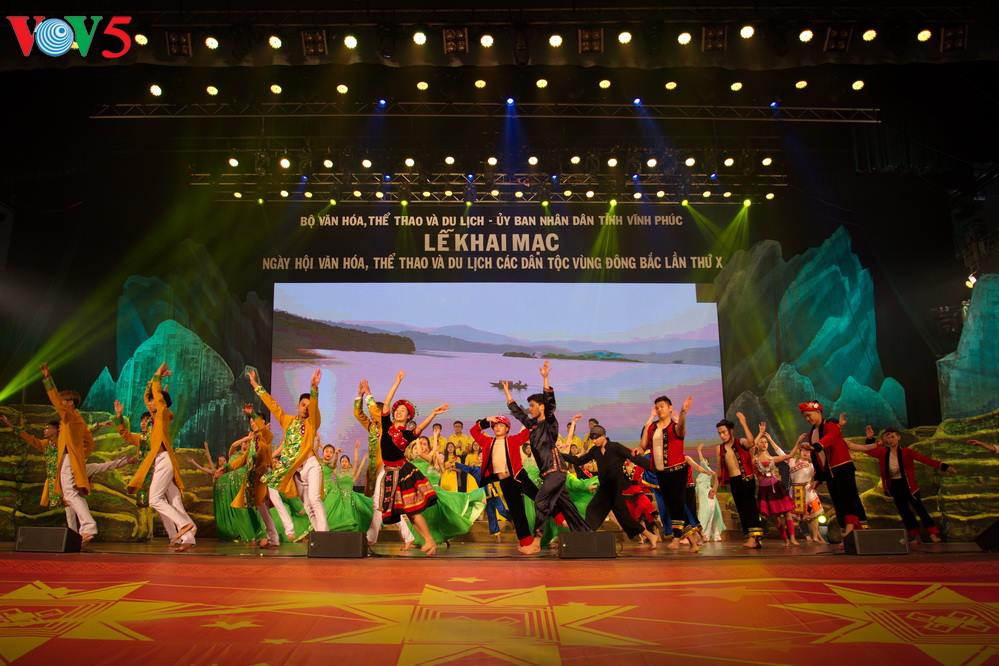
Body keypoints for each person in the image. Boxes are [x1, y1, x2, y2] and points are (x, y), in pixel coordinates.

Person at [505, 361, 591, 553]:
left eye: (532, 406)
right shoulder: (533, 425)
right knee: (568, 508)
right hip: (549, 473)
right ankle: (586, 537)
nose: (530, 409)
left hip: (555, 470)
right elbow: (518, 414)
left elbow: (550, 403)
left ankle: (536, 543)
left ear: (542, 407)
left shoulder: (550, 423)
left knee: (541, 501)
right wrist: (507, 393)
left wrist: (545, 378)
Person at [365, 370, 446, 556]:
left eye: (403, 411)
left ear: (408, 417)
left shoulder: (408, 434)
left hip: (403, 472)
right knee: (408, 512)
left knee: (412, 510)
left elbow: (421, 427)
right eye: (398, 410)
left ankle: (429, 540)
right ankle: (428, 541)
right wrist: (397, 382)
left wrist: (433, 413)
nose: (399, 412)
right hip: (390, 472)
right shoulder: (387, 425)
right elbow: (386, 403)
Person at [121, 364, 197, 551]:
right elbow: (147, 398)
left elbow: (155, 398)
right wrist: (154, 382)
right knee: (173, 501)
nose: (150, 404)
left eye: (154, 401)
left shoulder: (162, 414)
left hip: (164, 461)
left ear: (161, 402)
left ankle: (184, 525)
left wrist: (157, 376)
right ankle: (186, 537)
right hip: (160, 462)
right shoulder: (155, 421)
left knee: (155, 499)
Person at [247, 368, 328, 537]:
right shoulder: (287, 420)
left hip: (311, 465)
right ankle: (319, 536)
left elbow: (314, 409)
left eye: (309, 406)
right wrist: (255, 385)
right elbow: (272, 405)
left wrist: (314, 388)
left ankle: (324, 535)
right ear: (298, 406)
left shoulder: (312, 423)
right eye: (303, 405)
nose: (306, 408)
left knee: (314, 499)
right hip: (298, 471)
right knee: (307, 506)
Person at [849, 425, 957, 544]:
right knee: (905, 512)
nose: (890, 439)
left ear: (898, 437)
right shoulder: (883, 452)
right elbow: (869, 451)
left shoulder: (907, 452)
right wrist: (870, 438)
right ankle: (915, 537)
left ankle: (933, 534)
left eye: (892, 437)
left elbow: (925, 460)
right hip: (894, 486)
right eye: (887, 437)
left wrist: (945, 467)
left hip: (909, 486)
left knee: (920, 510)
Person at [562, 422, 660, 547]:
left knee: (622, 517)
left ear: (603, 436)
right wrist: (561, 455)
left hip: (615, 488)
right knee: (594, 510)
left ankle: (651, 536)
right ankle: (586, 537)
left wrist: (654, 468)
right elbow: (579, 460)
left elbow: (634, 458)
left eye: (596, 438)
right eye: (592, 439)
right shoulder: (595, 450)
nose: (594, 441)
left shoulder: (615, 447)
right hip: (604, 488)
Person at [34, 364, 97, 543]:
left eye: (63, 401)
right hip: (70, 459)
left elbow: (54, 399)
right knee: (72, 495)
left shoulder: (69, 416)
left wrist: (48, 379)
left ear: (70, 403)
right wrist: (79, 454)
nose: (60, 404)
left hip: (69, 460)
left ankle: (88, 527)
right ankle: (84, 529)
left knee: (69, 495)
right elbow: (90, 443)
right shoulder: (75, 419)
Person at [635, 395, 700, 550]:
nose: (659, 409)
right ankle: (692, 542)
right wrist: (639, 449)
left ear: (670, 408)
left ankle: (678, 539)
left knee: (677, 504)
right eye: (657, 407)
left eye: (662, 406)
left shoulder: (674, 426)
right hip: (661, 474)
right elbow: (643, 445)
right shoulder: (652, 428)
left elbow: (681, 430)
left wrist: (683, 413)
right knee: (672, 506)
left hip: (677, 471)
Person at [468, 414, 540, 553]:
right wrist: (487, 420)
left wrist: (533, 416)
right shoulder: (487, 442)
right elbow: (473, 431)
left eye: (501, 425)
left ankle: (561, 518)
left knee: (540, 499)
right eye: (495, 426)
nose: (497, 428)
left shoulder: (513, 439)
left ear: (507, 428)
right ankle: (526, 542)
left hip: (518, 477)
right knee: (517, 512)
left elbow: (529, 430)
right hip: (505, 482)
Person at [798, 400, 867, 539]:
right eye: (805, 417)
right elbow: (816, 456)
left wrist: (816, 446)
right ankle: (848, 533)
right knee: (838, 502)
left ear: (818, 412)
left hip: (842, 467)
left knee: (848, 498)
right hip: (829, 472)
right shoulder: (812, 433)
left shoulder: (830, 424)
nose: (807, 419)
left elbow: (831, 436)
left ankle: (850, 531)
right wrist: (818, 477)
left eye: (809, 415)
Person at [737, 414, 799, 547]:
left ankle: (793, 538)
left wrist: (798, 442)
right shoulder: (754, 459)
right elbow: (751, 446)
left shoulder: (772, 458)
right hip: (765, 490)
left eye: (765, 442)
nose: (764, 444)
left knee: (787, 513)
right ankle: (785, 540)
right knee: (777, 518)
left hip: (776, 486)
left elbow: (789, 455)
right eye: (762, 442)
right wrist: (760, 433)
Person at [716, 418, 763, 548]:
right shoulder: (719, 448)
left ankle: (754, 537)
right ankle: (751, 537)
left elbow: (751, 443)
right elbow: (719, 470)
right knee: (741, 509)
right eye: (719, 433)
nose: (722, 435)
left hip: (746, 479)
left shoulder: (740, 442)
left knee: (750, 507)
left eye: (724, 432)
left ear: (731, 431)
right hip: (734, 481)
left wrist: (743, 423)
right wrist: (715, 486)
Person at [788, 442, 825, 543]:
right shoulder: (792, 461)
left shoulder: (812, 465)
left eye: (808, 451)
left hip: (808, 492)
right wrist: (770, 439)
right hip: (795, 492)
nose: (805, 453)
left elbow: (820, 475)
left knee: (813, 515)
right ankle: (793, 538)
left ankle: (815, 537)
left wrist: (816, 482)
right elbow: (780, 452)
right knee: (794, 516)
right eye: (804, 450)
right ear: (800, 451)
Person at [353, 381, 383, 495]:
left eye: (374, 413)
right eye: (370, 414)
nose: (371, 416)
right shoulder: (372, 427)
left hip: (384, 466)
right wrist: (359, 396)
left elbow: (375, 411)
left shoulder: (387, 426)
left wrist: (369, 393)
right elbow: (358, 414)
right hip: (372, 467)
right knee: (371, 495)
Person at [695, 444, 725, 542]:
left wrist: (699, 451)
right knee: (707, 513)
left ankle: (705, 534)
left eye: (705, 461)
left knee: (706, 513)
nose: (703, 462)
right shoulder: (702, 472)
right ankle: (707, 534)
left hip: (706, 493)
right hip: (703, 493)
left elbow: (702, 462)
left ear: (707, 463)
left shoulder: (708, 470)